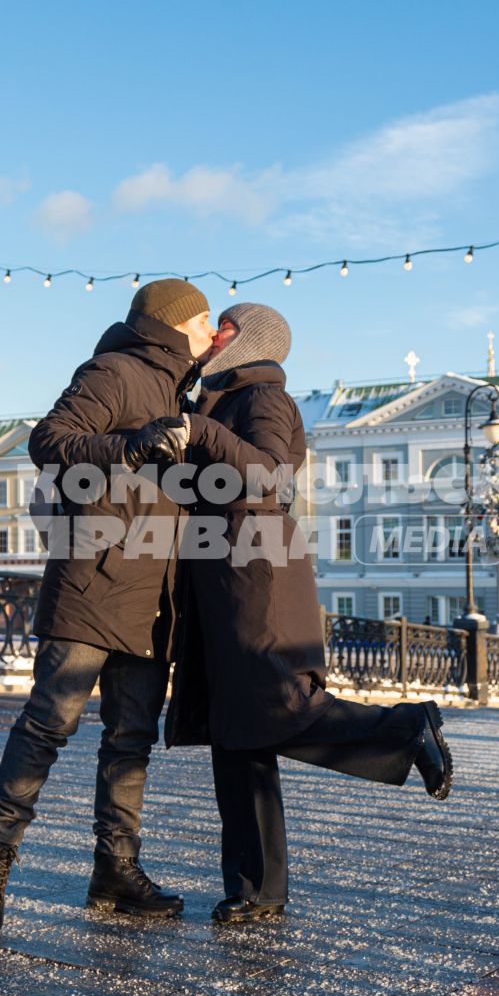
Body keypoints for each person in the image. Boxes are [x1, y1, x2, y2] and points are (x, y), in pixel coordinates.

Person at [162, 303, 454, 925]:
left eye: (227, 328)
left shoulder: (262, 397)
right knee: (236, 736)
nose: (214, 336)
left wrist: (197, 429)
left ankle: (407, 726)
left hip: (255, 576)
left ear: (253, 342)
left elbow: (267, 474)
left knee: (279, 710)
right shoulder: (217, 398)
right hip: (222, 574)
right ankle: (257, 887)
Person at [0, 279, 215, 939]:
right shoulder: (116, 371)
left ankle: (115, 873)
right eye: (204, 319)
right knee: (48, 726)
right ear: (170, 325)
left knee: (130, 741)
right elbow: (50, 440)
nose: (211, 331)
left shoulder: (180, 395)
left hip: (152, 601)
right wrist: (128, 445)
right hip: (92, 584)